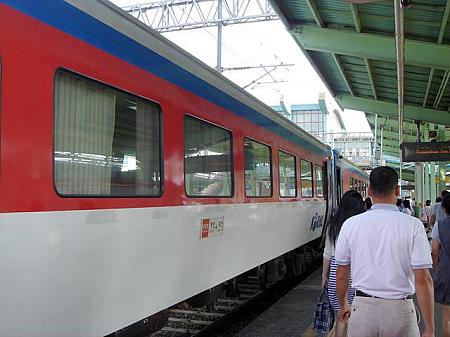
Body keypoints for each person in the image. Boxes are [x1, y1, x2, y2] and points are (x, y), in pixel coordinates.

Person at [335, 166, 434, 337]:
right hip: (401, 312)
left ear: (369, 191)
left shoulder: (351, 224)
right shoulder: (414, 225)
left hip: (362, 309)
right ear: (397, 190)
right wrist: (430, 328)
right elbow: (423, 279)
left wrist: (343, 304)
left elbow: (342, 273)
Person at [322, 190, 366, 337]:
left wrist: (324, 276)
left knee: (340, 314)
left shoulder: (332, 226)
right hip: (356, 270)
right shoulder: (360, 226)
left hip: (335, 270)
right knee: (354, 315)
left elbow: (327, 253)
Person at [431, 194, 450, 337]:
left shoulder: (439, 226)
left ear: (444, 209)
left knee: (446, 319)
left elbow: (435, 251)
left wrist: (438, 268)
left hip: (446, 272)